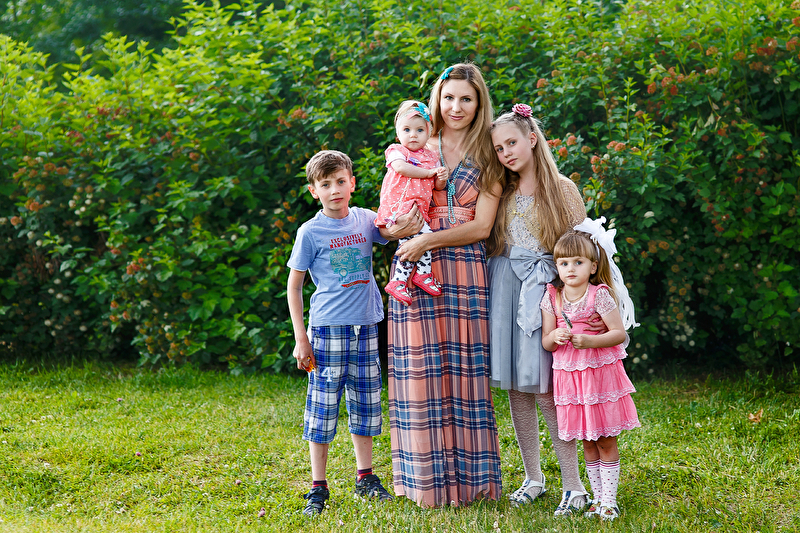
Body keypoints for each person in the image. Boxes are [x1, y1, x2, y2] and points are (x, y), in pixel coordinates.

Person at [383, 63, 505, 508]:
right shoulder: (415, 143)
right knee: (420, 370)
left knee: (465, 370)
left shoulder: (489, 151)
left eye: (466, 99)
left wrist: (427, 239)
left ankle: (472, 484)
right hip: (415, 269)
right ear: (437, 99)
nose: (456, 107)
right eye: (449, 97)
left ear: (478, 103)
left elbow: (482, 227)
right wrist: (396, 230)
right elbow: (390, 205)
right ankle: (426, 485)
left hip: (464, 267)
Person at [486, 104, 591, 515]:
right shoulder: (503, 191)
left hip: (546, 292)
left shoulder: (562, 188)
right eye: (499, 148)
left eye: (512, 143)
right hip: (506, 289)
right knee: (517, 388)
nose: (506, 153)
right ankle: (533, 477)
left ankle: (574, 484)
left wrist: (573, 300)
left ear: (532, 139)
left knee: (546, 389)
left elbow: (582, 248)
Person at [286, 150, 394, 517]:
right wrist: (301, 338)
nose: (334, 190)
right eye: (326, 184)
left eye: (340, 182)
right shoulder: (310, 232)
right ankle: (318, 487)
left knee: (366, 403)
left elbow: (394, 230)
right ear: (314, 191)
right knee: (324, 408)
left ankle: (365, 477)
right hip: (327, 329)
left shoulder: (365, 220)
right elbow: (294, 287)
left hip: (366, 326)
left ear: (352, 184)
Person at [541, 220, 641, 522]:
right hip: (571, 379)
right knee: (587, 438)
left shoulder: (599, 295)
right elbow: (546, 341)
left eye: (578, 262)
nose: (570, 269)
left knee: (605, 439)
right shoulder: (553, 296)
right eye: (564, 263)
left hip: (598, 376)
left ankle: (610, 501)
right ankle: (597, 499)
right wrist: (555, 336)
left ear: (593, 266)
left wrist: (590, 341)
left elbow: (618, 333)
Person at [376, 100, 448, 306]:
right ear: (398, 133)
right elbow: (401, 168)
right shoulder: (397, 151)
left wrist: (441, 177)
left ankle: (403, 280)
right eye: (407, 130)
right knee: (420, 238)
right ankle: (414, 276)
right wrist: (429, 172)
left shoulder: (431, 156)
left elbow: (437, 187)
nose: (413, 135)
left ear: (429, 132)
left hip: (417, 209)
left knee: (415, 241)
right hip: (399, 206)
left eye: (419, 130)